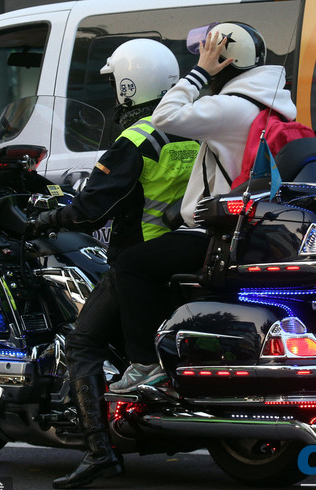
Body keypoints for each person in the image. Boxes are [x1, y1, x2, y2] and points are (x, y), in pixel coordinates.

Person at [35, 38, 200, 489]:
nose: (113, 96)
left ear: (128, 86)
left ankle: (98, 450)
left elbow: (92, 209)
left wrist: (43, 219)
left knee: (82, 346)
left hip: (137, 258)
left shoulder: (136, 138)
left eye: (116, 86)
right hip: (184, 252)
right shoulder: (191, 128)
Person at [109, 22, 298, 393]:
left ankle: (146, 365)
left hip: (215, 233)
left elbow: (163, 117)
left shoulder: (230, 107)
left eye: (207, 53)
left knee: (131, 265)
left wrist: (199, 74)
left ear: (224, 60)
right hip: (245, 228)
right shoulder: (272, 103)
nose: (200, 59)